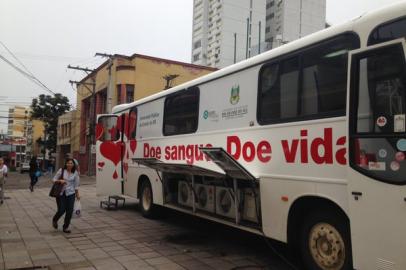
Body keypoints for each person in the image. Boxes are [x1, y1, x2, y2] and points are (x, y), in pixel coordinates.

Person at [52, 158, 80, 233]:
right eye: (68, 163)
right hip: (61, 193)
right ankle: (55, 220)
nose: (70, 164)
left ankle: (65, 227)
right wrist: (60, 180)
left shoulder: (75, 173)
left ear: (73, 164)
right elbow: (53, 179)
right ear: (66, 164)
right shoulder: (61, 170)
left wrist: (77, 194)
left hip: (71, 193)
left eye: (71, 163)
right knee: (61, 210)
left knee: (69, 211)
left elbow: (76, 184)